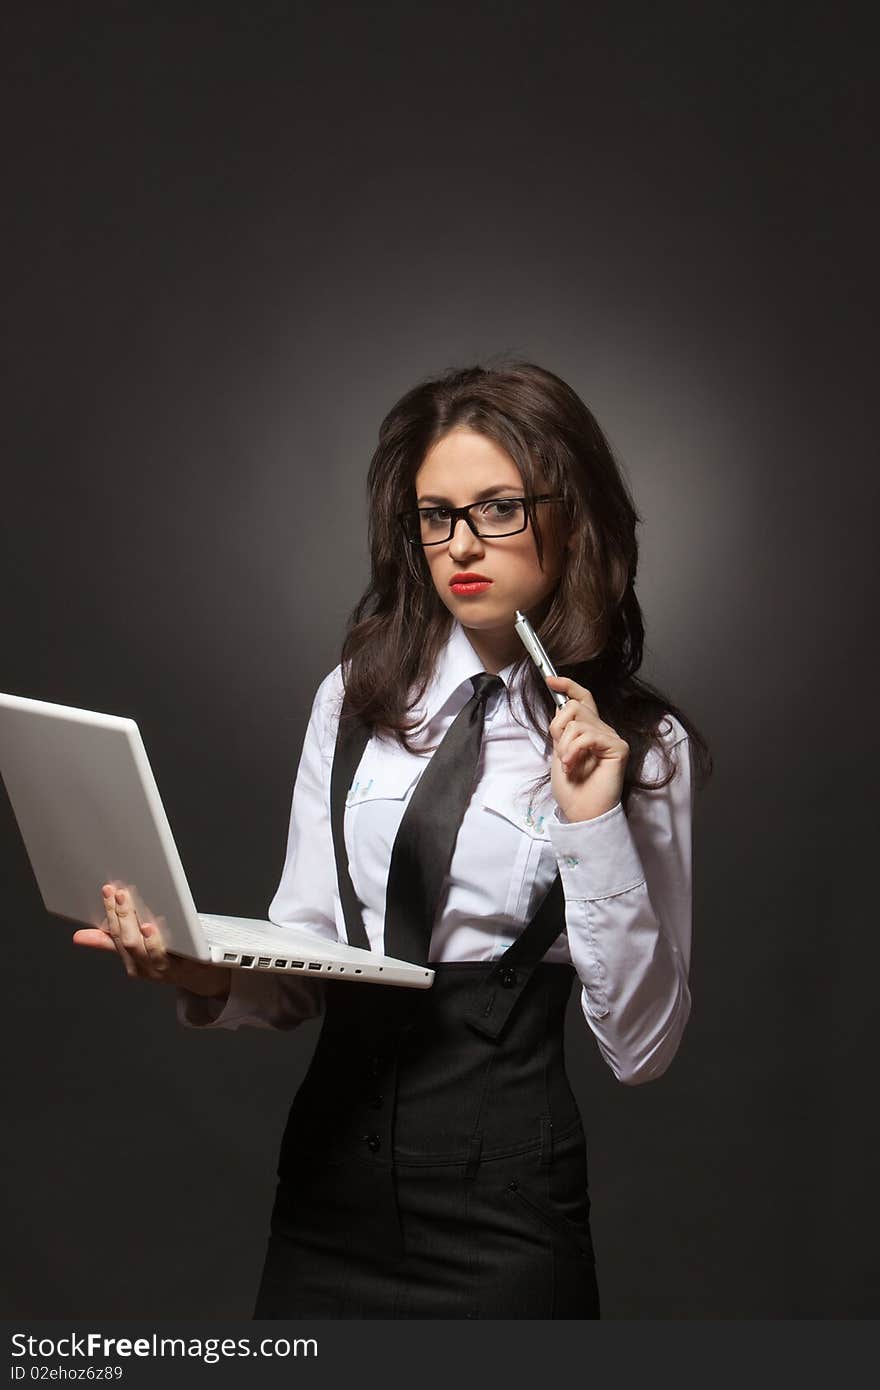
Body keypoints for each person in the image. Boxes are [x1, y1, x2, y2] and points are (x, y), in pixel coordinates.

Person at [75, 360, 712, 1319]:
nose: (462, 543)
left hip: (508, 1212)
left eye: (498, 508)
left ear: (572, 517)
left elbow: (644, 1045)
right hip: (328, 1196)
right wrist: (195, 971)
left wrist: (594, 824)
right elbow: (304, 962)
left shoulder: (638, 746)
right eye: (435, 514)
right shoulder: (354, 701)